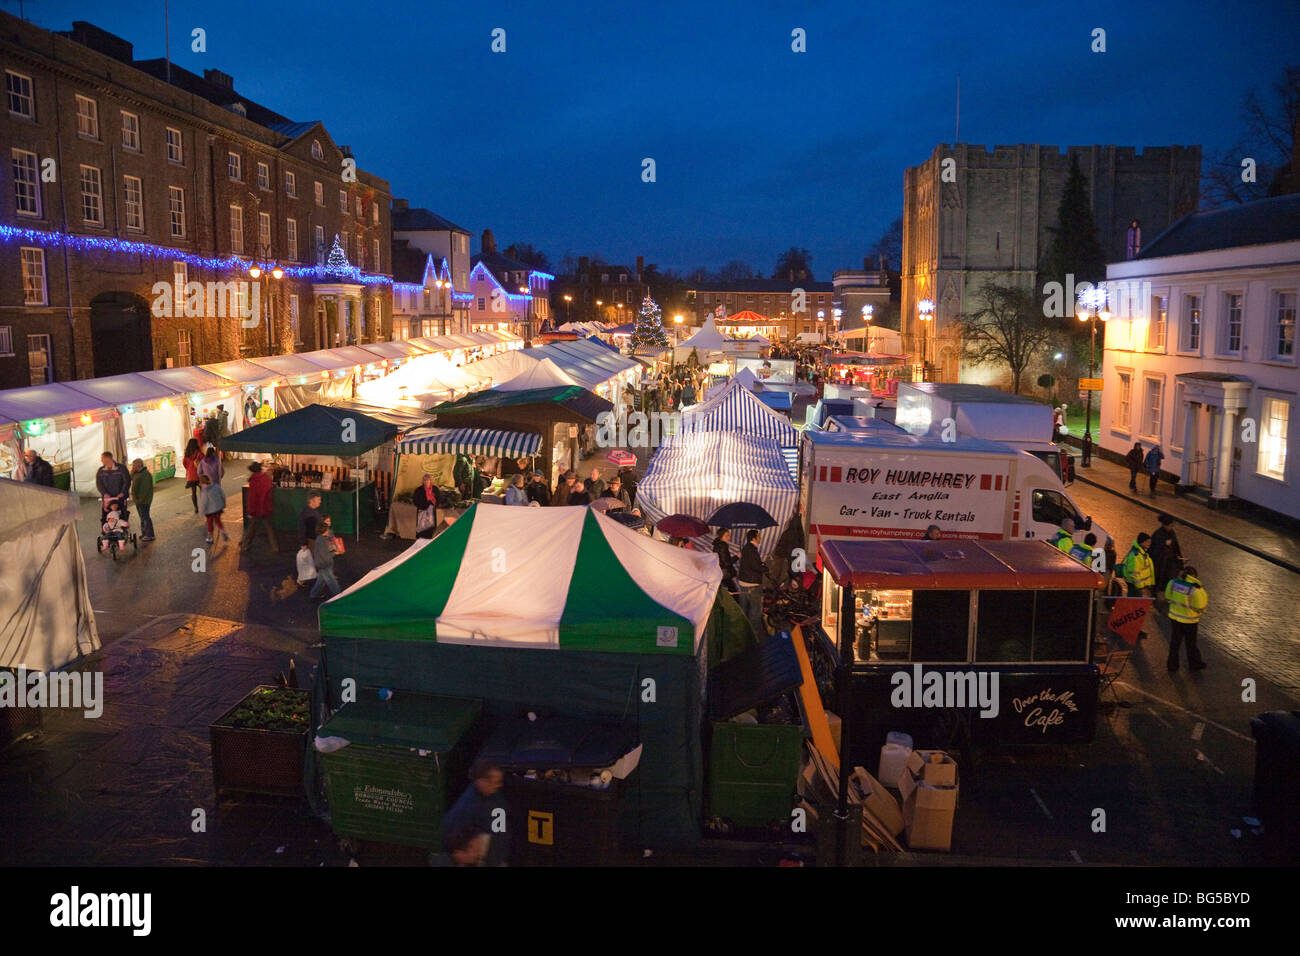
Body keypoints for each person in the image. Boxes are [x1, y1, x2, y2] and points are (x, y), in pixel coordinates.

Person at [442, 760, 509, 866]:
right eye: (495, 781)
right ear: (481, 781)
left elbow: (501, 834)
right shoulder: (467, 806)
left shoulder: (497, 799)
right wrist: (459, 854)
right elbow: (451, 833)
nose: (499, 785)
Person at [1165, 565, 1209, 673]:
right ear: (1194, 576)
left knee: (1175, 643)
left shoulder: (1173, 583)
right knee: (1191, 644)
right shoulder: (1195, 589)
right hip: (1190, 620)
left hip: (1175, 618)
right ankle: (1194, 663)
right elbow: (1200, 605)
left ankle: (1172, 665)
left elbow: (1168, 596)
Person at [1119, 533, 1156, 640]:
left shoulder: (1142, 553)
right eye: (1147, 542)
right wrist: (1140, 587)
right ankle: (1131, 630)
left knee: (1135, 610)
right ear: (1142, 542)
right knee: (1134, 610)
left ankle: (1132, 629)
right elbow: (1134, 573)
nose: (1149, 544)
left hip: (1138, 587)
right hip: (1135, 587)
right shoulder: (1136, 555)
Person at [241, 461, 279, 554]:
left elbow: (252, 499)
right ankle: (275, 547)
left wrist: (250, 512)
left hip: (257, 510)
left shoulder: (254, 481)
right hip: (266, 508)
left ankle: (245, 546)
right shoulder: (266, 479)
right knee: (269, 529)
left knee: (251, 529)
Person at [737, 529, 766, 638]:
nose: (760, 538)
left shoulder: (745, 548)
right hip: (752, 584)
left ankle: (742, 633)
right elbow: (755, 566)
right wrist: (764, 568)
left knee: (744, 609)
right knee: (755, 611)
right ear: (754, 538)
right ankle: (754, 635)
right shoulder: (752, 550)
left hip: (743, 583)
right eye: (758, 536)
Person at [1148, 513, 1183, 598]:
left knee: (1169, 578)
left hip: (1169, 562)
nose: (1172, 527)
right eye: (1170, 525)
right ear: (1165, 525)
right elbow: (1153, 550)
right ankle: (1154, 594)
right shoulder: (1158, 534)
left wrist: (1179, 557)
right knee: (1158, 579)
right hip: (1159, 563)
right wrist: (1164, 544)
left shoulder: (1171, 533)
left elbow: (1176, 546)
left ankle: (1166, 593)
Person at [309, 516, 341, 599]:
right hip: (324, 564)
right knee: (332, 581)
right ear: (324, 531)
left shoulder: (321, 539)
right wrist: (335, 553)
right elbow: (325, 555)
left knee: (321, 580)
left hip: (323, 563)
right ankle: (339, 597)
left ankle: (313, 595)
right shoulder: (322, 541)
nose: (328, 530)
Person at [95, 452, 131, 523]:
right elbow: (99, 484)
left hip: (120, 498)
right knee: (106, 516)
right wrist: (104, 493)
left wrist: (122, 492)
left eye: (103, 459)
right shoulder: (101, 470)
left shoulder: (121, 468)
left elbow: (127, 482)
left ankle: (122, 528)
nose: (102, 461)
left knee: (121, 515)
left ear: (110, 459)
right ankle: (106, 530)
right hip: (107, 499)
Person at [129, 458, 155, 542]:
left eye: (134, 465)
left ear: (138, 465)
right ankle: (145, 533)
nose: (132, 467)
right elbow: (131, 478)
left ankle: (150, 534)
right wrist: (132, 471)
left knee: (145, 517)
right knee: (142, 517)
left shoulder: (145, 475)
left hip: (144, 501)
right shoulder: (137, 473)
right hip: (139, 500)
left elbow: (145, 489)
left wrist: (139, 500)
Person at [198, 473, 228, 544]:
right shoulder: (216, 486)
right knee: (218, 521)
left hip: (210, 512)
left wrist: (201, 513)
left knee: (210, 524)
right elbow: (223, 495)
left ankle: (210, 537)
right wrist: (223, 504)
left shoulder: (204, 491)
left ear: (202, 483)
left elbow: (203, 503)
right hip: (218, 509)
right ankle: (223, 531)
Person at [412, 474, 440, 539]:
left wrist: (433, 504)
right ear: (423, 481)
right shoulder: (419, 490)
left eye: (428, 480)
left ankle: (430, 537)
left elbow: (439, 499)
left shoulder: (435, 489)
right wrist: (423, 505)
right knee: (422, 525)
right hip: (422, 510)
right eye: (425, 480)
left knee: (431, 524)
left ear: (431, 481)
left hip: (431, 511)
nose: (426, 481)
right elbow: (415, 500)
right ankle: (421, 537)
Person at [712, 528, 738, 593]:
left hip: (720, 571)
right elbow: (726, 563)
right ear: (721, 536)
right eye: (726, 535)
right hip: (725, 572)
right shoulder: (723, 546)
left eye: (729, 535)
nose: (729, 537)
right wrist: (737, 557)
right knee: (733, 591)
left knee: (725, 590)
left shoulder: (716, 545)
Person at [182, 439, 203, 514]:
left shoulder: (187, 453)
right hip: (199, 474)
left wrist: (189, 469)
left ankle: (196, 508)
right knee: (203, 490)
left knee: (193, 492)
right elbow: (203, 460)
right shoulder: (198, 452)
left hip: (191, 475)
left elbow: (184, 463)